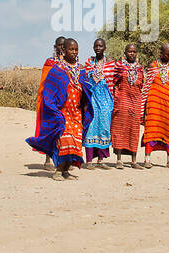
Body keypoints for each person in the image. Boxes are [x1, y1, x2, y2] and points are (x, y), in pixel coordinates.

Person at [27, 38, 90, 181]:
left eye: (76, 49)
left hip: (77, 113)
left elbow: (86, 91)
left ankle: (66, 171)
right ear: (64, 50)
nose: (74, 52)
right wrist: (54, 111)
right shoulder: (57, 69)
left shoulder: (81, 70)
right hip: (62, 113)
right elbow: (48, 93)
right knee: (64, 141)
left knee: (75, 142)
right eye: (71, 49)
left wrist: (85, 109)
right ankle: (58, 170)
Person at [141, 42, 169, 169]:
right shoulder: (152, 65)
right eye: (168, 54)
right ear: (161, 53)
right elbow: (147, 86)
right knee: (151, 129)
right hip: (154, 104)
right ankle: (147, 159)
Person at [110, 43, 145, 169]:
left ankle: (134, 161)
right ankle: (119, 160)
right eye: (129, 51)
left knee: (134, 130)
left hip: (135, 102)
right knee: (120, 128)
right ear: (125, 53)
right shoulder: (119, 67)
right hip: (122, 101)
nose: (132, 54)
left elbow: (142, 85)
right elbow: (113, 83)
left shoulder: (140, 68)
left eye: (134, 51)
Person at [81, 41, 116, 169]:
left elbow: (116, 80)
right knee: (91, 126)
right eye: (96, 46)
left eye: (100, 46)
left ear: (105, 47)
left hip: (107, 100)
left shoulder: (111, 64)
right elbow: (85, 81)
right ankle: (89, 161)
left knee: (104, 128)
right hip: (92, 99)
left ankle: (100, 160)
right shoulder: (88, 63)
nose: (98, 48)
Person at [35, 37, 67, 170]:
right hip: (50, 101)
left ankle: (62, 160)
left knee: (64, 131)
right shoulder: (49, 62)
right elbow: (44, 84)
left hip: (65, 102)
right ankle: (48, 159)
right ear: (55, 47)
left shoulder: (70, 63)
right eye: (59, 45)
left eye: (63, 45)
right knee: (50, 130)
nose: (61, 48)